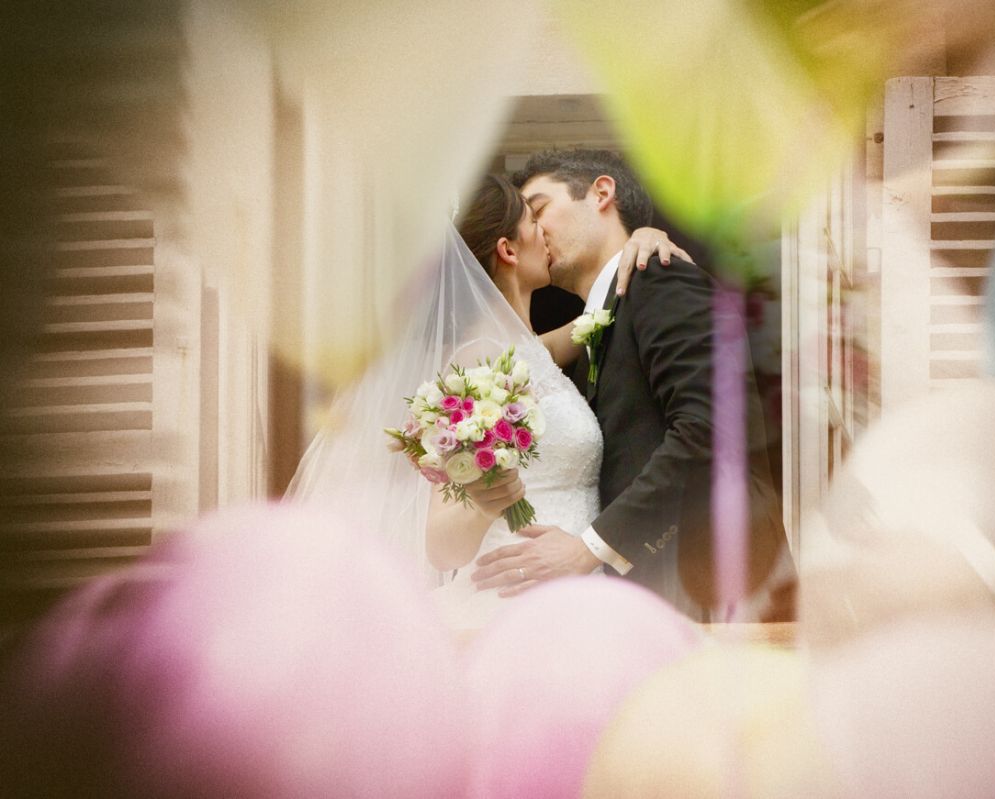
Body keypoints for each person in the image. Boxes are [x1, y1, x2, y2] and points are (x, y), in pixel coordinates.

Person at [286, 173, 687, 627]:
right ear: (508, 249)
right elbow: (443, 546)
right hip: (520, 599)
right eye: (534, 220)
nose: (546, 231)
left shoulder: (523, 351)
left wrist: (645, 239)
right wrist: (486, 497)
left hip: (575, 592)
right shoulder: (481, 364)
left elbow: (596, 320)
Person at [471, 149, 796, 621]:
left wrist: (590, 549)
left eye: (540, 209)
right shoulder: (594, 325)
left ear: (602, 193)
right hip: (649, 592)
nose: (536, 231)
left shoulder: (661, 279)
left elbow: (709, 428)